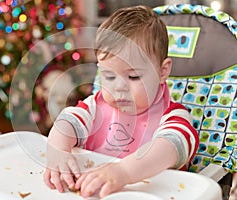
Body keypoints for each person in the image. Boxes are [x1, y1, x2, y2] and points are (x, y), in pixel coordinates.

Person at [43, 5, 199, 198]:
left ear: (162, 71)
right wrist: (58, 152)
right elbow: (66, 123)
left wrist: (124, 172)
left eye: (133, 77)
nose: (119, 88)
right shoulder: (94, 108)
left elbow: (170, 146)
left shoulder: (173, 116)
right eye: (108, 76)